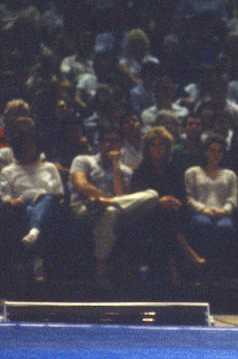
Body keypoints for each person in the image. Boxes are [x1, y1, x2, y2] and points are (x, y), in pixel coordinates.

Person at [69, 125, 160, 281]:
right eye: (107, 141)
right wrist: (105, 199)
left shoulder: (125, 170)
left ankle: (100, 262)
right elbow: (82, 186)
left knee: (153, 195)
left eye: (116, 141)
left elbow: (121, 195)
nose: (111, 144)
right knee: (111, 209)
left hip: (112, 210)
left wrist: (116, 165)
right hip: (85, 208)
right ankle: (101, 262)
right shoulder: (83, 160)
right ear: (99, 144)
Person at [130, 126, 205, 281]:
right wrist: (159, 202)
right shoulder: (140, 172)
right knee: (164, 217)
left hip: (172, 214)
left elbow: (183, 197)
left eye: (161, 145)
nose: (157, 149)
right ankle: (186, 255)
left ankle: (173, 265)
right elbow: (138, 200)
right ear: (148, 148)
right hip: (147, 214)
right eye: (154, 145)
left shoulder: (173, 170)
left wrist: (175, 202)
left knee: (170, 217)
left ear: (167, 147)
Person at [0, 117, 65, 282]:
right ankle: (36, 252)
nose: (29, 148)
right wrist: (13, 201)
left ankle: (35, 233)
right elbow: (4, 196)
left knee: (47, 200)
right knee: (29, 209)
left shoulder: (49, 168)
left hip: (49, 206)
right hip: (22, 210)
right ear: (18, 147)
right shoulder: (8, 171)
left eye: (32, 144)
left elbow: (59, 193)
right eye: (24, 145)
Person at [184, 134, 238, 274]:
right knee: (203, 224)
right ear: (205, 152)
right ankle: (201, 266)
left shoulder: (230, 174)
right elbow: (188, 198)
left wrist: (224, 211)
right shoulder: (192, 172)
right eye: (212, 150)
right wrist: (203, 210)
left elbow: (233, 200)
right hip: (200, 213)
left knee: (226, 227)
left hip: (222, 213)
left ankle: (221, 269)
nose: (216, 154)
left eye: (220, 151)